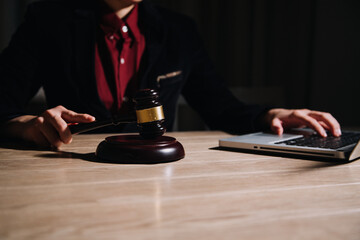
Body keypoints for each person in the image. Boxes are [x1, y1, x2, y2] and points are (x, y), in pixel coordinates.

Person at [0, 0, 341, 149]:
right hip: (71, 173)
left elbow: (219, 107)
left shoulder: (179, 30)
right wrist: (27, 125)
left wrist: (271, 115)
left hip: (159, 177)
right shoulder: (46, 21)